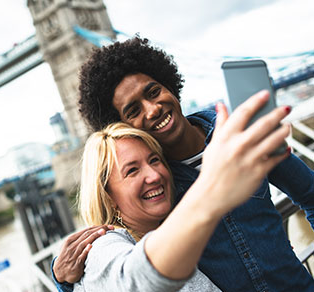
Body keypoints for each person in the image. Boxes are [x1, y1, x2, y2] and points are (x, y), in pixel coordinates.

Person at [53, 36, 314, 291]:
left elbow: (310, 194)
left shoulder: (242, 134)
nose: (152, 109)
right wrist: (62, 278)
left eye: (154, 92)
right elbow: (122, 263)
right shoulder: (153, 184)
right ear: (122, 126)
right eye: (133, 110)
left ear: (169, 85)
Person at [74, 106, 289, 291]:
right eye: (132, 171)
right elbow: (135, 281)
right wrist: (212, 190)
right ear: (107, 196)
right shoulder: (101, 247)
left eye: (154, 160)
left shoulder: (174, 230)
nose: (154, 175)